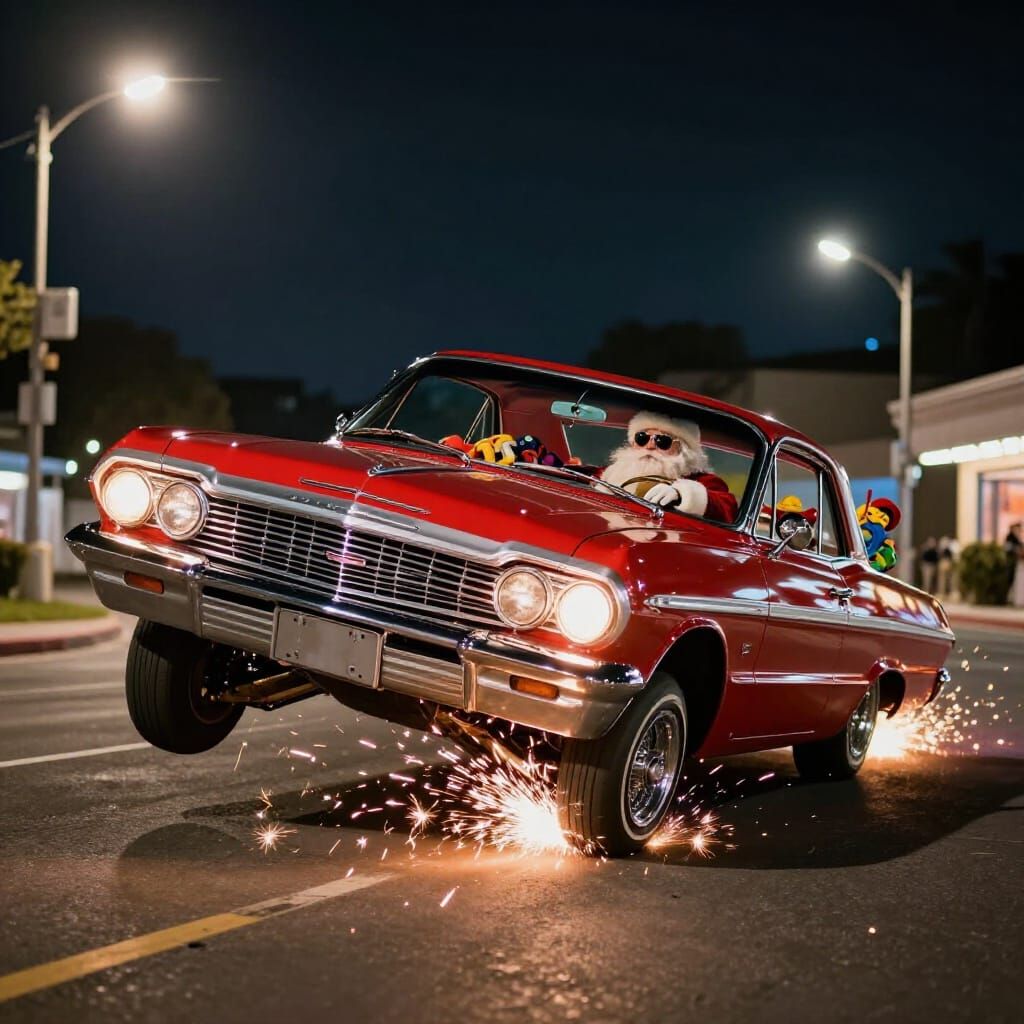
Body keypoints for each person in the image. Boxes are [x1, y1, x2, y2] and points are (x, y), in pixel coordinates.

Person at [600, 411, 738, 523]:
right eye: (642, 438)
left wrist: (683, 494)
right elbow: (587, 477)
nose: (649, 446)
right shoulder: (616, 471)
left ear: (683, 450)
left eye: (663, 441)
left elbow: (727, 508)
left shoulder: (703, 480)